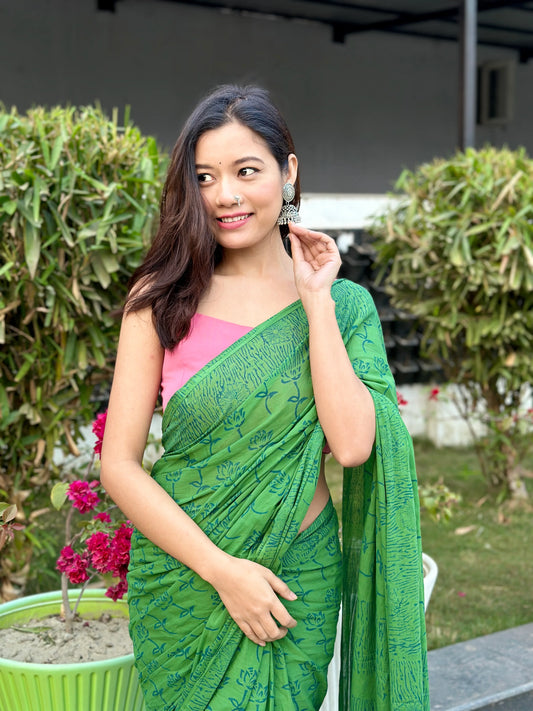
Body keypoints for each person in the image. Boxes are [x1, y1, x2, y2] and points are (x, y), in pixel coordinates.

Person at [100, 85, 429, 711]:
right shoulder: (161, 299)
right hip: (186, 575)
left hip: (295, 575)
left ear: (288, 171)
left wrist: (315, 301)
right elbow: (118, 465)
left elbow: (354, 446)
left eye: (246, 171)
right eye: (204, 177)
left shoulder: (343, 306)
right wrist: (222, 571)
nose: (224, 194)